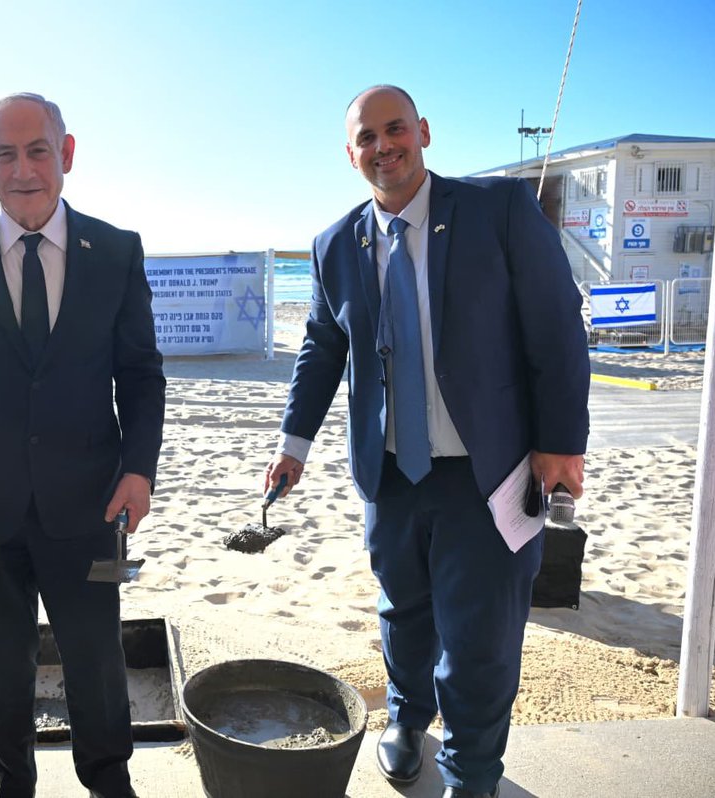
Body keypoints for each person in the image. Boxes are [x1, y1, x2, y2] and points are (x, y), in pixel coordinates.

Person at [265, 86, 589, 798]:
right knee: (402, 610)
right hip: (391, 473)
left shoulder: (498, 210)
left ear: (424, 132)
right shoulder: (333, 244)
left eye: (396, 130)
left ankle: (472, 771)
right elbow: (323, 347)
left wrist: (561, 442)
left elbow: (558, 323)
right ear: (350, 155)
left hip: (491, 471)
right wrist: (295, 443)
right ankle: (408, 719)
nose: (384, 147)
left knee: (480, 638)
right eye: (367, 138)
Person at [0, 92, 165, 798]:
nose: (24, 170)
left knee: (95, 653)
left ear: (67, 154)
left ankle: (108, 777)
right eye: (7, 154)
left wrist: (139, 469)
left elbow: (141, 373)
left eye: (38, 151)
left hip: (91, 506)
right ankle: (12, 780)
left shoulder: (114, 251)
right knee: (4, 657)